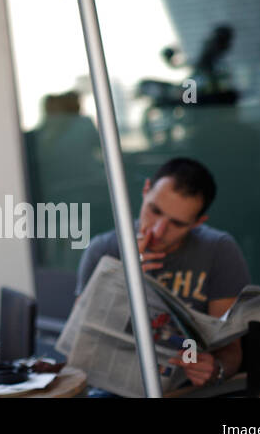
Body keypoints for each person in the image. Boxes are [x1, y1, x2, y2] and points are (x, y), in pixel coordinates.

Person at [75, 157, 250, 388]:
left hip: (186, 389)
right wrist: (119, 278)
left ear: (198, 223)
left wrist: (215, 369)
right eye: (154, 210)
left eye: (177, 224)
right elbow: (81, 339)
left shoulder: (218, 250)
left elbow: (230, 352)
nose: (159, 230)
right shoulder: (104, 249)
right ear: (146, 191)